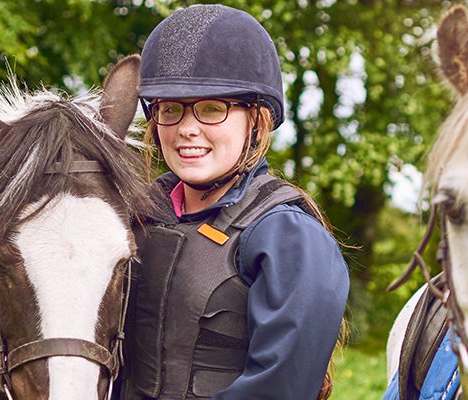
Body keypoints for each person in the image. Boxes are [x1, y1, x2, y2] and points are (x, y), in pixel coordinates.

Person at [117, 4, 350, 399]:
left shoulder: (289, 238)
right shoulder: (133, 216)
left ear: (255, 119)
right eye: (170, 110)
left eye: (212, 109)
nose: (187, 129)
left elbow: (278, 389)